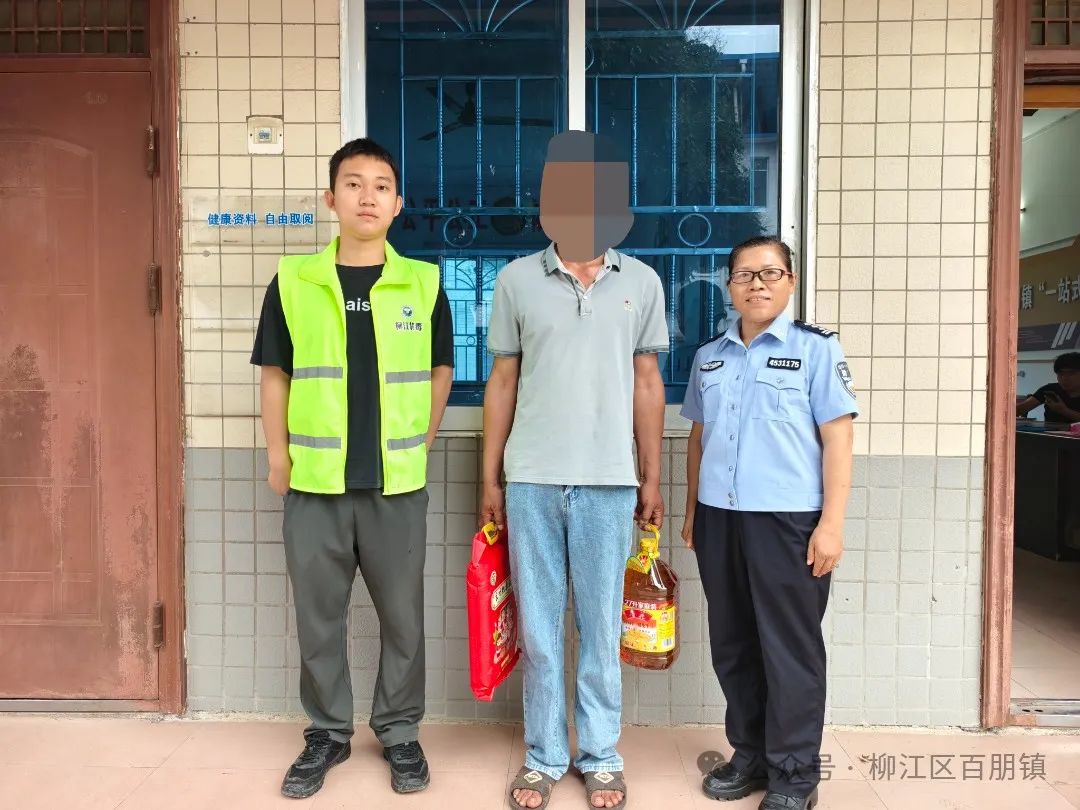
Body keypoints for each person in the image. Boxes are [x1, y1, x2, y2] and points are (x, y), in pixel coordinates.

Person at [251, 138, 454, 799]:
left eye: (381, 186)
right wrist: (278, 455)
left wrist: (421, 440)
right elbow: (276, 373)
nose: (368, 196)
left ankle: (399, 731)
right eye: (354, 184)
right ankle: (328, 732)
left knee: (403, 619)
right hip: (315, 485)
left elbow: (440, 369)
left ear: (398, 204)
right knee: (319, 618)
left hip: (397, 486)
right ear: (330, 198)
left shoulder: (423, 283)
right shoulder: (293, 282)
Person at [480, 130, 668, 810]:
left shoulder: (641, 281)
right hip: (531, 478)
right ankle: (542, 755)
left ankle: (600, 754)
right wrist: (490, 477)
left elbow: (648, 383)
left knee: (599, 627)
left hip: (610, 483)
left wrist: (652, 475)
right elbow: (503, 381)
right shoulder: (516, 280)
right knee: (537, 630)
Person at [680, 236, 857, 810]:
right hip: (720, 519)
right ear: (729, 285)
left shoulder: (816, 350)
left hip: (788, 522)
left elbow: (838, 438)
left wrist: (831, 524)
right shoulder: (710, 356)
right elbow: (699, 438)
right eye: (744, 274)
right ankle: (750, 755)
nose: (756, 284)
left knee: (789, 650)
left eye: (770, 273)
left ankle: (794, 777)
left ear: (790, 281)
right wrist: (693, 511)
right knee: (733, 644)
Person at [1016, 352, 1080, 424]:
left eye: (1071, 373)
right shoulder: (1050, 389)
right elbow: (1019, 410)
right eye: (1060, 373)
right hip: (1050, 431)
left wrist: (1064, 411)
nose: (1064, 378)